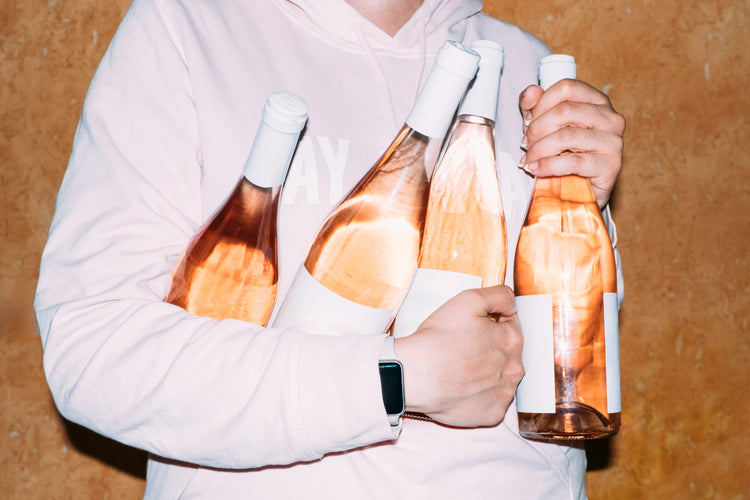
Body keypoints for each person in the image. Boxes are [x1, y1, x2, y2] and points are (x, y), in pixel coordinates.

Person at [35, 0, 625, 498]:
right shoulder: (186, 27)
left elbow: (566, 373)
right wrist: (394, 379)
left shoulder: (525, 67)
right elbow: (95, 352)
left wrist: (584, 209)